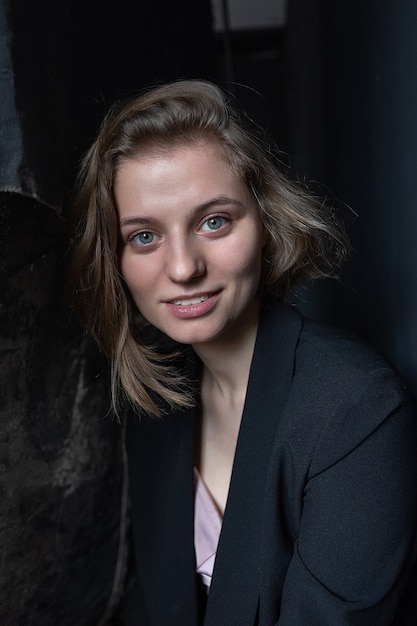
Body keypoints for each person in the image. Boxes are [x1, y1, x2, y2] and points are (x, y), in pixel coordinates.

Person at [68, 79, 417, 625]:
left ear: (267, 223)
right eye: (143, 236)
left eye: (214, 221)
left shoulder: (357, 411)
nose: (183, 268)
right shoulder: (156, 404)